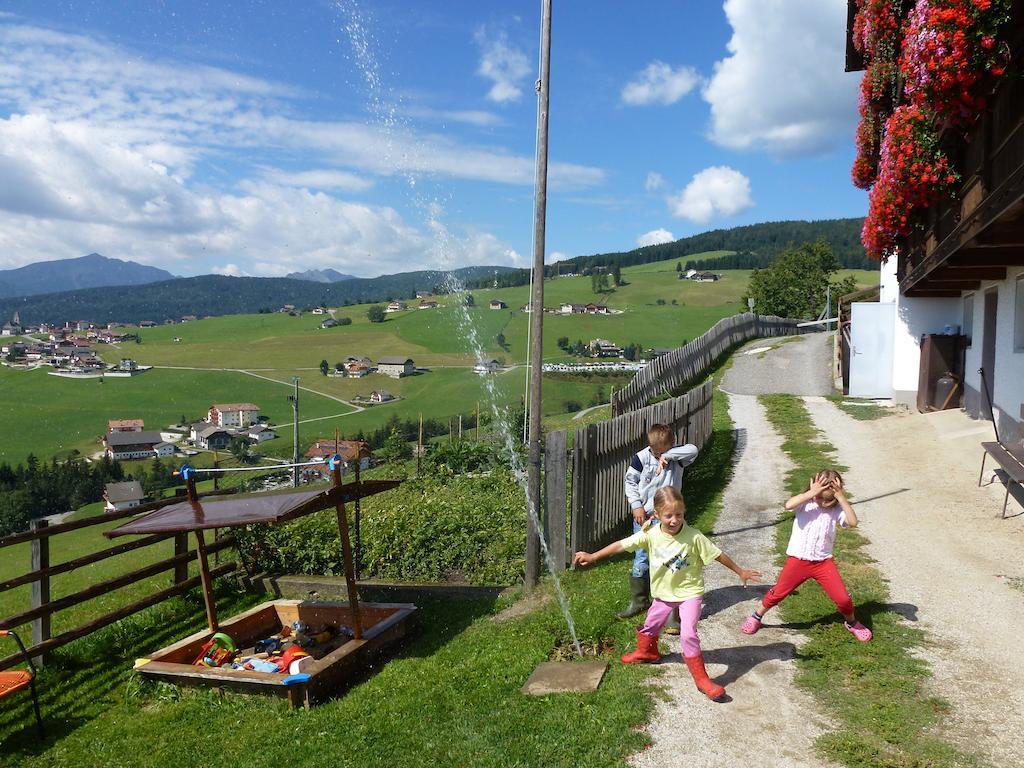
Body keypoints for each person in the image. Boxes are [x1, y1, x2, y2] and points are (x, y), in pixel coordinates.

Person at [574, 487, 761, 701]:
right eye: (668, 515)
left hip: (690, 593)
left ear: (684, 512)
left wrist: (741, 571)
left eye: (679, 515)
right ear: (657, 514)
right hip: (663, 594)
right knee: (651, 625)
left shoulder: (694, 537)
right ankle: (647, 652)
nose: (674, 520)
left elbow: (718, 555)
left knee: (688, 633)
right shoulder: (650, 535)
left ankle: (702, 680)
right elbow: (621, 545)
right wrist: (594, 556)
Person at [741, 469, 872, 642]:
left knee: (843, 600)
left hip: (823, 563)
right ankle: (757, 616)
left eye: (829, 499)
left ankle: (851, 622)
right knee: (778, 593)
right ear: (813, 488)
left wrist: (841, 498)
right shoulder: (805, 503)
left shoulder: (837, 509)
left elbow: (853, 522)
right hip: (798, 560)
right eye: (820, 497)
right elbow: (788, 505)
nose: (824, 503)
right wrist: (811, 493)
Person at [619, 423, 699, 635]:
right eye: (655, 451)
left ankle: (672, 613)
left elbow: (693, 450)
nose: (658, 455)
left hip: (669, 518)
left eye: (662, 450)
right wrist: (636, 505)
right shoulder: (641, 458)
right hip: (644, 517)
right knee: (642, 560)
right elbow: (630, 482)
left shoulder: (678, 458)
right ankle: (639, 602)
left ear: (671, 445)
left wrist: (669, 456)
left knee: (671, 561)